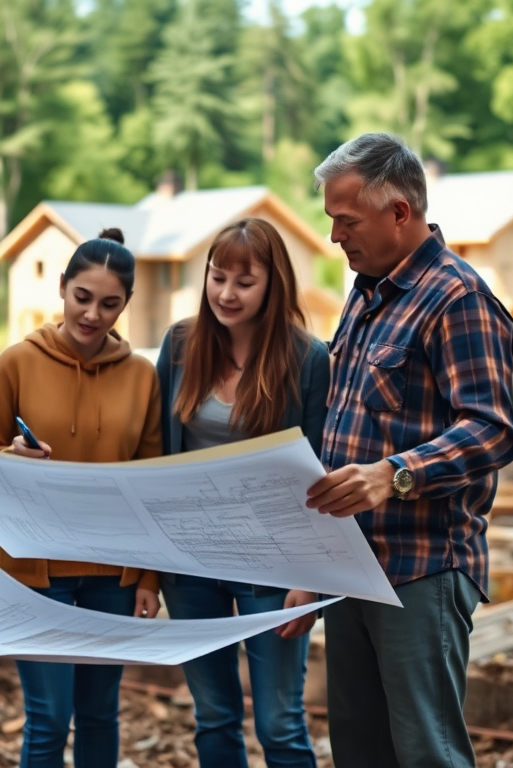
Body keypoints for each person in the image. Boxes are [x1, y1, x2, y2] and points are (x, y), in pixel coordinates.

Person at [306, 133, 513, 768]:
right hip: (351, 566)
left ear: (399, 212)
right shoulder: (367, 292)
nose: (335, 237)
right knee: (360, 749)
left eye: (346, 221)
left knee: (427, 752)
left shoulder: (458, 298)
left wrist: (393, 476)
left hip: (421, 568)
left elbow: (492, 429)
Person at [0, 227, 163, 768]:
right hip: (34, 570)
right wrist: (11, 456)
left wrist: (149, 578)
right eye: (83, 297)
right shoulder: (17, 362)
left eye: (109, 304)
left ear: (126, 303)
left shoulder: (143, 377)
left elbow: (151, 480)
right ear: (61, 288)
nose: (93, 315)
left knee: (100, 715)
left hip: (114, 573)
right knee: (49, 718)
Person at [155, 217, 330, 768]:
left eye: (244, 281)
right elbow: (156, 447)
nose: (226, 293)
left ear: (272, 285)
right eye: (217, 277)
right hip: (191, 560)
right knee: (214, 716)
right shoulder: (181, 344)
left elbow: (321, 472)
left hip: (274, 564)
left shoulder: (307, 359)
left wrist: (312, 577)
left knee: (279, 724)